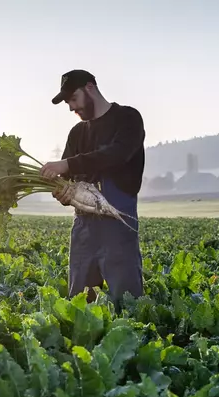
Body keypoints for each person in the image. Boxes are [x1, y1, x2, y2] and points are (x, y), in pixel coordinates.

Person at [39, 69, 145, 305]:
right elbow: (66, 179)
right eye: (67, 102)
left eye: (73, 99)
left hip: (119, 225)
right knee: (79, 304)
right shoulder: (76, 133)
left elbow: (116, 154)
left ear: (90, 88)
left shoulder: (128, 119)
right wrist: (63, 193)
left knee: (128, 302)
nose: (71, 108)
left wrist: (67, 164)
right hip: (83, 229)